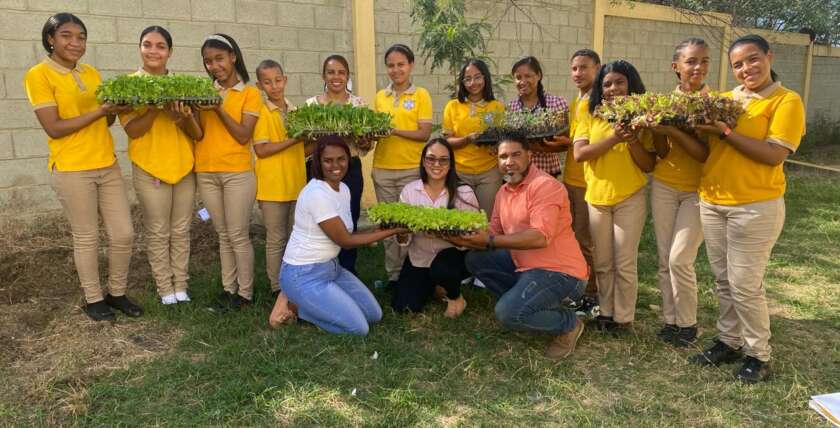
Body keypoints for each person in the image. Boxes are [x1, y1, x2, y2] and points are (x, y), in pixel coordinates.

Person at [689, 34, 805, 383]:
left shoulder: (786, 101)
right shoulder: (725, 100)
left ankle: (758, 354)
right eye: (737, 65)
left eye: (753, 59)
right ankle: (729, 340)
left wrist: (725, 132)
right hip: (713, 200)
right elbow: (707, 150)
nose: (746, 69)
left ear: (769, 57)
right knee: (724, 279)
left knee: (745, 284)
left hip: (754, 206)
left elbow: (773, 155)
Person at [24, 13, 141, 321]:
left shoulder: (91, 72)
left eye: (81, 37)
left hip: (107, 163)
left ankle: (117, 293)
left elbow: (106, 120)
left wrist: (117, 108)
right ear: (51, 39)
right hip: (72, 168)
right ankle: (93, 299)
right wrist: (101, 110)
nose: (75, 42)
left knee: (123, 233)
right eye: (66, 36)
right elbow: (54, 127)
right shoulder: (39, 75)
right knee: (87, 236)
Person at [446, 134, 589, 359]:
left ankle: (569, 323)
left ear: (529, 156)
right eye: (503, 157)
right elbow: (493, 232)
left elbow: (540, 237)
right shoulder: (503, 192)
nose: (509, 162)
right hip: (525, 266)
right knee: (475, 259)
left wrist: (489, 241)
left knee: (507, 313)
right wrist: (461, 237)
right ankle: (529, 304)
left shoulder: (545, 186)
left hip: (561, 273)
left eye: (516, 155)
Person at [279, 137, 404, 335]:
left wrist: (377, 230)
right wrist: (392, 231)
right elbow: (345, 241)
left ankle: (306, 302)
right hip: (302, 274)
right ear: (318, 162)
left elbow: (347, 232)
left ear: (348, 159)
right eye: (328, 160)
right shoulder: (317, 194)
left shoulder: (343, 188)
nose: (336, 166)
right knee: (358, 328)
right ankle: (295, 307)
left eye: (341, 159)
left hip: (332, 268)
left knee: (374, 315)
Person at [120, 26, 202, 306]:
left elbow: (196, 133)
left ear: (170, 51)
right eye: (147, 44)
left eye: (160, 46)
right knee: (158, 230)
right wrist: (155, 108)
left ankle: (181, 285)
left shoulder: (183, 86)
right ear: (139, 48)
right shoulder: (129, 85)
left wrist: (183, 117)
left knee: (181, 230)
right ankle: (165, 287)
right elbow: (133, 131)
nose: (153, 51)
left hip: (183, 167)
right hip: (150, 168)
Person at [572, 60, 656, 331]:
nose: (613, 88)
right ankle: (605, 313)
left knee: (625, 262)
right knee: (603, 262)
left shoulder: (641, 116)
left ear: (631, 85)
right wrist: (614, 139)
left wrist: (632, 139)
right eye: (607, 84)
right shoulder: (590, 113)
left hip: (629, 196)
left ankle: (623, 318)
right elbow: (579, 154)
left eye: (620, 82)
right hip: (597, 197)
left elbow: (648, 164)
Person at [649, 38, 711, 346]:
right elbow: (662, 151)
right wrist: (657, 130)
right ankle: (670, 320)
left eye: (704, 61)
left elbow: (703, 154)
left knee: (680, 258)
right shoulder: (664, 102)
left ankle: (688, 324)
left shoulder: (714, 104)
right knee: (665, 257)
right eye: (691, 61)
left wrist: (673, 129)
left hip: (698, 190)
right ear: (676, 66)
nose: (698, 67)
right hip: (664, 185)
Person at [197, 33, 263, 310]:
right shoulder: (203, 91)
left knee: (237, 234)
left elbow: (243, 135)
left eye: (219, 59)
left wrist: (218, 108)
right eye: (208, 61)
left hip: (237, 173)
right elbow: (198, 133)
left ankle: (245, 294)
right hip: (206, 171)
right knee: (222, 233)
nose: (214, 66)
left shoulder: (250, 93)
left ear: (233, 57)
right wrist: (186, 115)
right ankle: (228, 289)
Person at [391, 138, 480, 317]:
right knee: (404, 307)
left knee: (442, 269)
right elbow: (403, 239)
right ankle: (436, 286)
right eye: (431, 159)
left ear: (451, 163)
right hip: (420, 257)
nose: (436, 164)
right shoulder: (410, 191)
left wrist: (443, 233)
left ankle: (455, 297)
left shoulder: (464, 192)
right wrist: (400, 232)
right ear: (424, 161)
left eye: (443, 160)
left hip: (453, 256)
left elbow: (474, 236)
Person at [373, 44, 433, 287]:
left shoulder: (421, 95)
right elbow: (377, 132)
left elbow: (424, 133)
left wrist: (393, 130)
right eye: (391, 65)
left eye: (401, 64)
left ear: (411, 65)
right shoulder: (380, 97)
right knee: (388, 225)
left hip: (411, 170)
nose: (396, 70)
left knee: (410, 225)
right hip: (383, 169)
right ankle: (393, 275)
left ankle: (413, 275)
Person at [253, 59, 307, 324]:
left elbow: (300, 150)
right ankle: (276, 286)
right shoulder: (261, 112)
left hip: (296, 183)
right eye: (267, 82)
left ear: (285, 80)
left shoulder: (294, 110)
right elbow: (262, 149)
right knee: (276, 239)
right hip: (272, 186)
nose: (274, 86)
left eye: (277, 80)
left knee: (294, 239)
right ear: (259, 85)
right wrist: (294, 139)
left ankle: (292, 283)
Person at [305, 54, 366, 275]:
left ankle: (347, 270)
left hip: (350, 168)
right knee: (320, 220)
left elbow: (365, 146)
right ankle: (321, 268)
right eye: (331, 72)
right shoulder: (311, 105)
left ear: (348, 76)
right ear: (323, 76)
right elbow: (304, 146)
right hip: (319, 169)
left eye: (341, 72)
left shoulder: (358, 105)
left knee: (349, 218)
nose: (336, 77)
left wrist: (362, 139)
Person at [562, 49, 601, 311]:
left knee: (585, 240)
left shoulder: (596, 103)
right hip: (571, 178)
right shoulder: (576, 102)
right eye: (574, 68)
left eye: (584, 67)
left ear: (597, 68)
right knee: (573, 237)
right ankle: (578, 284)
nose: (578, 73)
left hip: (588, 182)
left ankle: (591, 292)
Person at [442, 59, 505, 216]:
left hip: (489, 172)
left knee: (486, 219)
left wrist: (496, 145)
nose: (473, 83)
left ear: (485, 78)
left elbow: (502, 138)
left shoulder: (496, 107)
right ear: (462, 82)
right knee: (461, 220)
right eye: (467, 79)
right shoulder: (453, 106)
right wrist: (467, 139)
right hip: (460, 172)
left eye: (477, 77)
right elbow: (447, 142)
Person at [507, 56, 570, 177]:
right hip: (517, 174)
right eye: (518, 77)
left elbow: (564, 144)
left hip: (546, 172)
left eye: (528, 76)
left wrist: (536, 146)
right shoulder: (511, 107)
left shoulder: (556, 103)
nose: (522, 81)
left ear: (539, 76)